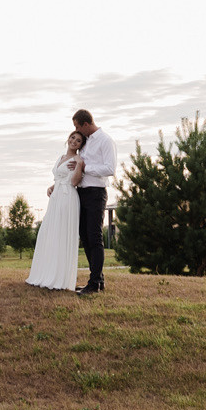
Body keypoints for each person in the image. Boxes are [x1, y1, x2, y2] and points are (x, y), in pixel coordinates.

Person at [25, 131, 85, 291]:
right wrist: (51, 187)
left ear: (81, 145)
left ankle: (60, 278)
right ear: (68, 138)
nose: (74, 141)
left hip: (67, 198)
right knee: (48, 232)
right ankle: (45, 273)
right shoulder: (61, 157)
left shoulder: (78, 160)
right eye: (73, 138)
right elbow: (59, 178)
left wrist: (79, 164)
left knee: (61, 233)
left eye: (78, 141)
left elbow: (74, 181)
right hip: (56, 197)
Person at [71, 109, 116, 295]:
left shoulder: (106, 141)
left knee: (95, 237)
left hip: (96, 193)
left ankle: (94, 282)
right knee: (85, 237)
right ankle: (98, 279)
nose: (75, 130)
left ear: (86, 124)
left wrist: (86, 167)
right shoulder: (86, 143)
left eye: (77, 126)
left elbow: (110, 168)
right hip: (81, 193)